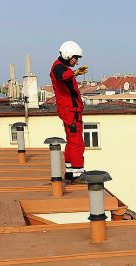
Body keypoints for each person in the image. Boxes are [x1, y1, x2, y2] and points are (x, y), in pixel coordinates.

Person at [49, 41, 89, 184]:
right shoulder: (58, 68)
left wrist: (74, 73)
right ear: (68, 54)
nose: (76, 62)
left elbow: (64, 76)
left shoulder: (60, 66)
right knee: (77, 141)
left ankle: (71, 172)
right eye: (75, 58)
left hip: (68, 109)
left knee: (71, 140)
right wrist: (74, 73)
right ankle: (78, 173)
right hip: (70, 110)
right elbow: (62, 76)